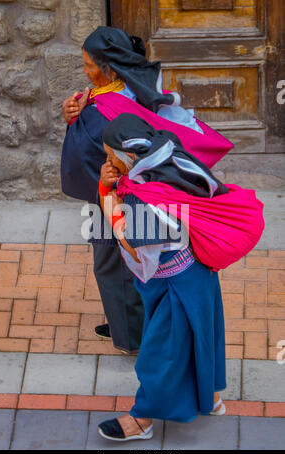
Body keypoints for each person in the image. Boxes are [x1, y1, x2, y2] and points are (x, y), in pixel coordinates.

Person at [60, 26, 232, 354]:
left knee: (114, 264)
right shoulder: (136, 91)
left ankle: (132, 338)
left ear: (109, 67)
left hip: (117, 197)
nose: (84, 71)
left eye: (88, 64)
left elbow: (83, 154)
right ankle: (132, 321)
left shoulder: (104, 112)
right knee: (139, 263)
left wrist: (78, 122)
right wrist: (73, 113)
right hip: (148, 196)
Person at [96, 114, 230, 441]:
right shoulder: (171, 157)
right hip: (197, 273)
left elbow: (130, 242)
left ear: (130, 156)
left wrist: (105, 194)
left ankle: (141, 420)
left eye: (112, 157)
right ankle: (209, 398)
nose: (109, 163)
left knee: (161, 353)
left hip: (174, 287)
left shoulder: (144, 195)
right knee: (203, 336)